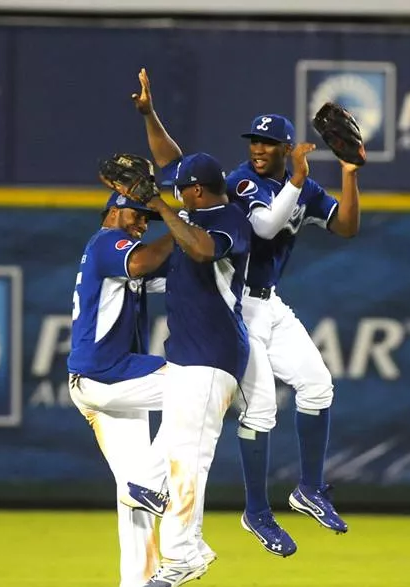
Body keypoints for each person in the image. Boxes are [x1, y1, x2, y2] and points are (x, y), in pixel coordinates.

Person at [130, 68, 363, 558]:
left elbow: (344, 227)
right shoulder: (239, 183)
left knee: (319, 386)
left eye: (267, 143)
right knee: (258, 411)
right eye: (254, 141)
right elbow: (261, 225)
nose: (257, 149)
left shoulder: (298, 185)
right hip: (237, 308)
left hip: (271, 303)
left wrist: (348, 172)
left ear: (285, 147)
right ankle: (257, 511)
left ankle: (310, 488)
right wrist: (298, 181)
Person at [113, 151, 251, 587]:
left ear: (195, 190)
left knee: (189, 457)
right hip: (185, 358)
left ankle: (185, 552)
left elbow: (200, 247)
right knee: (144, 482)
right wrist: (149, 115)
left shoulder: (230, 219)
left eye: (178, 188)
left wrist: (163, 206)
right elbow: (169, 176)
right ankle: (153, 496)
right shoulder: (186, 216)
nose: (171, 193)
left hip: (213, 356)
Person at [66, 191, 175, 587]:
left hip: (107, 383)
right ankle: (150, 482)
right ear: (113, 212)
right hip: (107, 374)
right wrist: (178, 217)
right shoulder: (106, 242)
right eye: (137, 214)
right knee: (201, 387)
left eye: (149, 218)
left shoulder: (123, 254)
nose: (142, 224)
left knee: (132, 494)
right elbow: (146, 261)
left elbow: (174, 272)